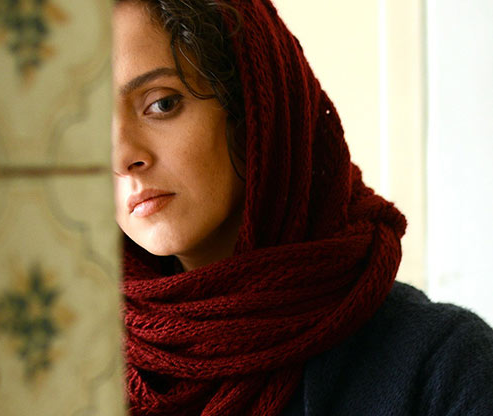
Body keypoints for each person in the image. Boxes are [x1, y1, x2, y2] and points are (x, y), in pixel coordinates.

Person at [111, 0, 493, 415]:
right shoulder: (80, 366)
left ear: (256, 110)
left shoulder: (442, 367)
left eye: (163, 103)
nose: (121, 156)